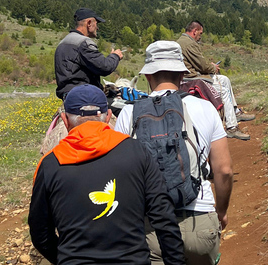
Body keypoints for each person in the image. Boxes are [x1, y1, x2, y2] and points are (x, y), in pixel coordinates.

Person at [29, 84, 186, 265]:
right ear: (108, 116)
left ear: (64, 120)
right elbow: (164, 218)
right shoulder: (137, 152)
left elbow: (40, 233)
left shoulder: (49, 164)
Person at [115, 41, 233, 265]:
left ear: (148, 77)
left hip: (152, 228)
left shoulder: (128, 114)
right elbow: (224, 171)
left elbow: (121, 176)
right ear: (182, 75)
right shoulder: (205, 107)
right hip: (199, 221)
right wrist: (221, 212)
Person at [176, 21, 254, 140]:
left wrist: (209, 66)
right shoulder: (189, 44)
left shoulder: (180, 42)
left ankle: (235, 112)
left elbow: (197, 62)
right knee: (223, 89)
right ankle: (231, 127)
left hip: (188, 76)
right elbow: (202, 65)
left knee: (225, 80)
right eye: (200, 33)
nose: (200, 36)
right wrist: (213, 68)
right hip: (192, 78)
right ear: (195, 31)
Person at [54, 7, 123, 99]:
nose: (97, 28)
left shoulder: (62, 43)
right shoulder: (83, 43)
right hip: (84, 96)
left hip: (67, 96)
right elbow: (104, 67)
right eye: (96, 23)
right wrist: (115, 56)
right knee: (122, 109)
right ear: (89, 23)